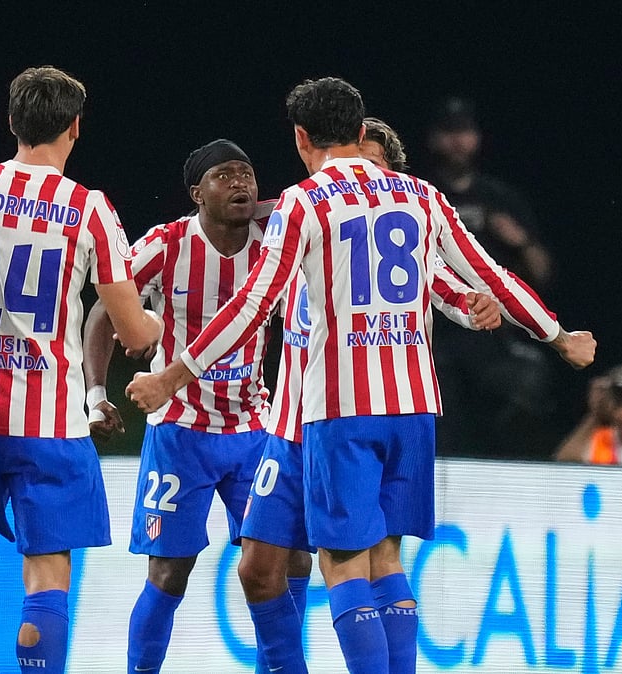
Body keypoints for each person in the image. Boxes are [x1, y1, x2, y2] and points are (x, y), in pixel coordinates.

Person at [126, 77, 596, 674]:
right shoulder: (419, 198)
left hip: (335, 412)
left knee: (345, 562)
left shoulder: (305, 204)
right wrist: (556, 335)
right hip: (369, 411)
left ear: (301, 137)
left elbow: (252, 304)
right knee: (286, 566)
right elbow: (490, 273)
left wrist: (173, 373)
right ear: (356, 130)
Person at [0, 65, 162, 674]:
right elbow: (129, 330)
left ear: (12, 122)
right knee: (48, 566)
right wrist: (155, 323)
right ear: (75, 126)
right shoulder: (88, 208)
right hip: (50, 417)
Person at [83, 139, 296, 674]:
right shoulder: (167, 244)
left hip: (254, 428)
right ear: (197, 193)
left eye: (247, 173)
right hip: (181, 431)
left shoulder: (277, 242)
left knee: (287, 563)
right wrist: (96, 393)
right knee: (170, 572)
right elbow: (105, 311)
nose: (241, 183)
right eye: (225, 176)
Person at [424, 96, 564, 459]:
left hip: (493, 333)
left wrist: (521, 239)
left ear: (477, 138)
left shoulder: (500, 197)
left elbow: (543, 272)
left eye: (465, 132)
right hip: (435, 329)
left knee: (528, 380)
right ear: (433, 139)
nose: (457, 141)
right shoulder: (420, 195)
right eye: (449, 132)